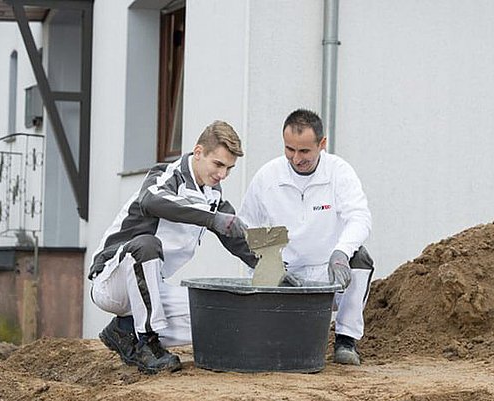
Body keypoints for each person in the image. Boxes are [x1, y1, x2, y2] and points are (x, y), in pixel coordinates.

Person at [89, 120, 258, 374]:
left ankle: (124, 331)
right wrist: (212, 218)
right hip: (112, 281)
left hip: (150, 288)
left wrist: (272, 267)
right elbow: (151, 201)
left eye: (229, 169)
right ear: (198, 152)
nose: (222, 174)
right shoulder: (165, 175)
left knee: (215, 316)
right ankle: (146, 342)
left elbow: (236, 238)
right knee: (146, 245)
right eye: (218, 164)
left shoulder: (213, 195)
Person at [239, 108, 374, 365]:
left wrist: (341, 253)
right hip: (284, 273)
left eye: (304, 152)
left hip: (327, 272)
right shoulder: (268, 177)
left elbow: (360, 217)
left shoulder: (339, 173)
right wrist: (269, 266)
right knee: (275, 347)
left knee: (361, 259)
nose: (295, 158)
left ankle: (346, 340)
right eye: (289, 149)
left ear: (322, 144)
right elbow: (247, 228)